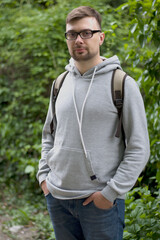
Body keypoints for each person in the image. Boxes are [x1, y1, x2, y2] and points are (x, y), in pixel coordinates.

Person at [37, 6, 150, 240]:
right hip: (58, 198)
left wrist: (110, 193)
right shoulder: (61, 83)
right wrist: (44, 178)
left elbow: (139, 149)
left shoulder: (122, 84)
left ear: (101, 37)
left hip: (100, 204)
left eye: (86, 33)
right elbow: (49, 134)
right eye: (72, 34)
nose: (78, 39)